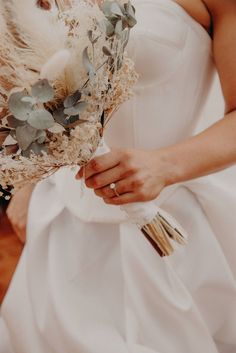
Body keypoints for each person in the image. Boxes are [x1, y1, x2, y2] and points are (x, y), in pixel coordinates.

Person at [1, 0, 236, 352]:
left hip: (173, 228)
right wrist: (26, 183)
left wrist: (164, 166)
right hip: (65, 233)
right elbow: (29, 88)